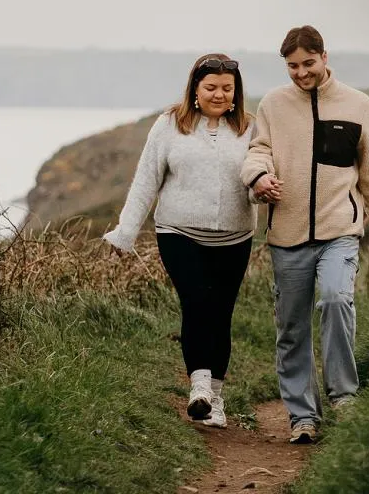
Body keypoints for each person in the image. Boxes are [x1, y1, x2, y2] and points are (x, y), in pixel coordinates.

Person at [243, 25, 369, 445]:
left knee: (335, 299)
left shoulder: (358, 105)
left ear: (324, 57)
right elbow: (258, 152)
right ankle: (303, 416)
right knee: (292, 328)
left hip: (339, 230)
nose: (301, 73)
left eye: (308, 63)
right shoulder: (273, 104)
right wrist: (258, 177)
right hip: (286, 235)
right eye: (292, 66)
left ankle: (344, 398)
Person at [103, 53, 257, 428]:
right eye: (211, 87)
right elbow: (146, 180)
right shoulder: (170, 125)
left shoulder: (250, 128)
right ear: (195, 89)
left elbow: (258, 175)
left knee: (221, 313)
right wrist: (125, 231)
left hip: (235, 237)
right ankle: (199, 389)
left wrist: (261, 191)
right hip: (179, 233)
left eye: (227, 88)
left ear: (236, 92)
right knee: (197, 302)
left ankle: (215, 399)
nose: (219, 94)